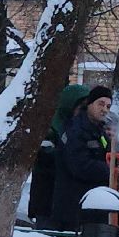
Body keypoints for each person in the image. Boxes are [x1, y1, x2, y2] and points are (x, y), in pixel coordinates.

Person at [51, 85, 115, 233]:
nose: (105, 109)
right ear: (89, 104)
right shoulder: (76, 129)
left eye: (108, 106)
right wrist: (111, 170)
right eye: (100, 104)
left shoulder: (100, 131)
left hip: (92, 209)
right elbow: (80, 166)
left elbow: (106, 153)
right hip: (73, 210)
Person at [29, 83, 90, 229]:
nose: (84, 112)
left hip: (71, 206)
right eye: (81, 107)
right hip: (48, 203)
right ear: (70, 105)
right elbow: (44, 159)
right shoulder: (49, 128)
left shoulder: (83, 128)